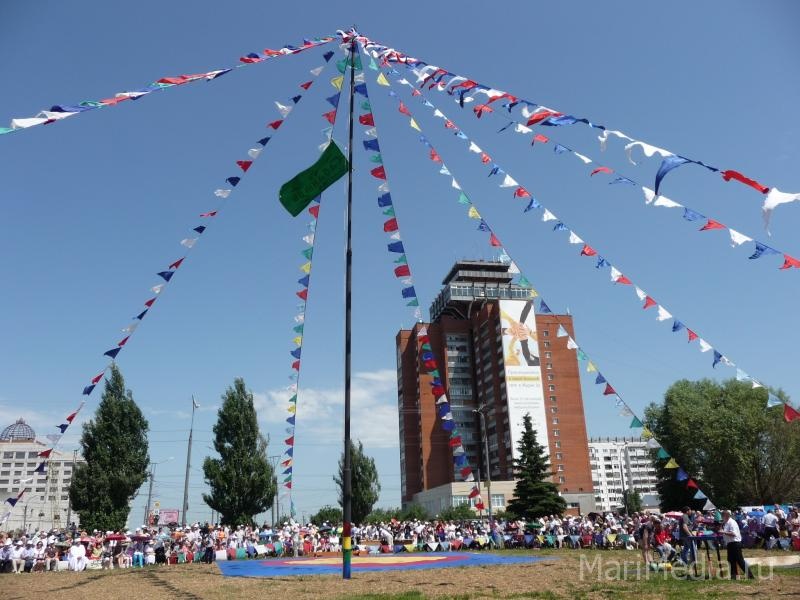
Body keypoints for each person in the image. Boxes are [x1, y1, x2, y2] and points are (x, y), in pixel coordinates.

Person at [721, 509, 754, 580]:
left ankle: (750, 576)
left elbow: (733, 534)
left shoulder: (732, 523)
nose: (721, 518)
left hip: (735, 543)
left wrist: (723, 532)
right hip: (730, 544)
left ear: (726, 516)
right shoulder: (727, 523)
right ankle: (734, 576)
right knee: (731, 560)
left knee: (740, 560)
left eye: (722, 516)